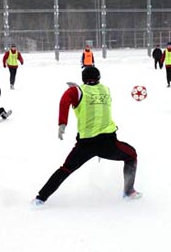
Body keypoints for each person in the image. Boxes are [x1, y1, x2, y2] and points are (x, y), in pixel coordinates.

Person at [32, 67, 141, 206]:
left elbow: (65, 101)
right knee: (131, 155)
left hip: (86, 144)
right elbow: (93, 95)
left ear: (83, 79)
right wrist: (77, 90)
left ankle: (40, 199)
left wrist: (62, 123)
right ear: (99, 77)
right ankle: (129, 192)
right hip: (108, 142)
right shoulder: (106, 89)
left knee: (65, 169)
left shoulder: (77, 91)